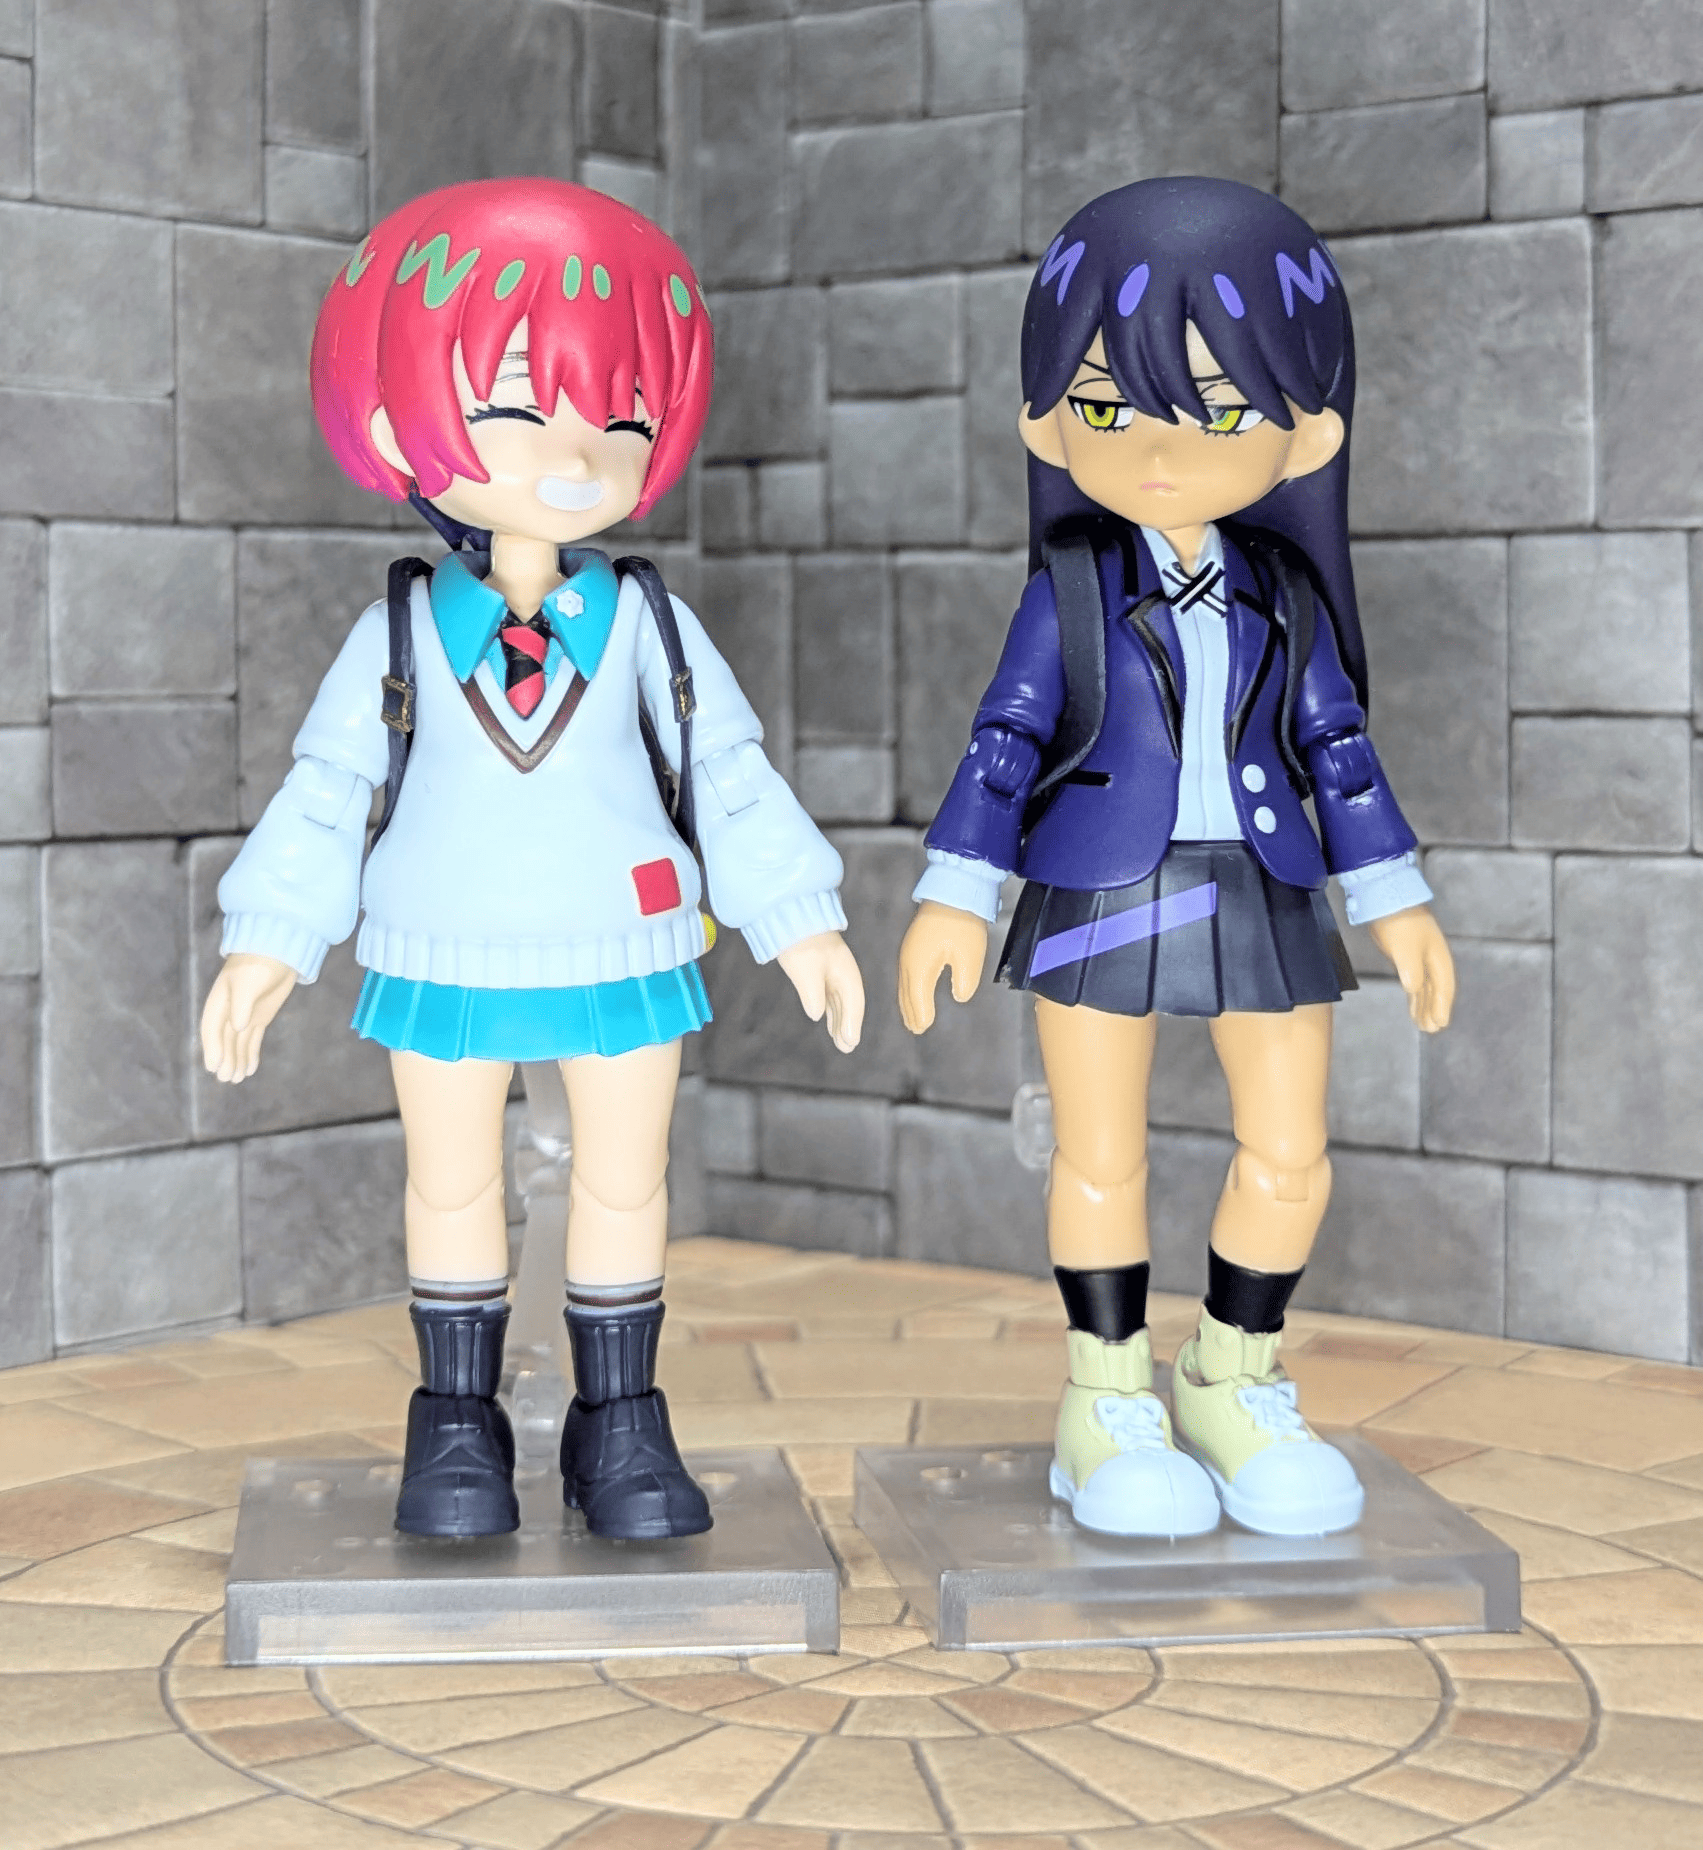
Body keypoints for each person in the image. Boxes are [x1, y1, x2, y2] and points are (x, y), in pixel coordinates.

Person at [201, 179, 864, 1542]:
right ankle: (457, 1418)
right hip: (438, 938)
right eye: (520, 402)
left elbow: (727, 770)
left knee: (625, 1177)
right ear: (395, 419)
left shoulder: (648, 625)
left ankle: (620, 1419)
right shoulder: (397, 631)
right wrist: (269, 938)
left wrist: (798, 915)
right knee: (451, 1180)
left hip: (624, 935)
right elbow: (328, 789)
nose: (575, 452)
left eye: (620, 417)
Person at [899, 177, 1453, 1540]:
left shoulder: (1288, 597)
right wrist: (956, 891)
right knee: (1100, 1156)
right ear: (1046, 420)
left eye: (1215, 407)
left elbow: (1337, 749)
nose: (1155, 446)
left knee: (1289, 1149)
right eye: (1107, 407)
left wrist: (1395, 896)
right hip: (1101, 886)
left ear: (1308, 428)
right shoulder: (1070, 589)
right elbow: (1004, 740)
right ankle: (1104, 1396)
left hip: (1263, 884)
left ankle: (1229, 1373)